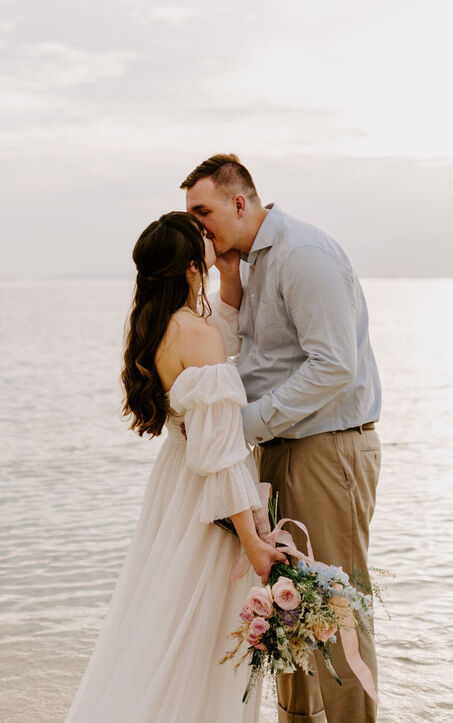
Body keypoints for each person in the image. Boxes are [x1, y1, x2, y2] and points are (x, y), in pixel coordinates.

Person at [183, 154, 383, 723]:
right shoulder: (248, 266)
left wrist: (240, 426)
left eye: (204, 211)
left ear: (239, 202)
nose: (199, 226)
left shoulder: (303, 255)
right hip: (281, 446)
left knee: (335, 607)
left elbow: (334, 366)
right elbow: (257, 362)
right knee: (285, 602)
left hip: (329, 446)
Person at [64, 211, 286, 723]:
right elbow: (223, 450)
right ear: (191, 265)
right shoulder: (196, 331)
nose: (213, 238)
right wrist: (251, 538)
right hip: (209, 491)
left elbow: (222, 344)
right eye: (204, 237)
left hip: (177, 481)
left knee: (165, 621)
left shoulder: (162, 325)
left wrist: (228, 275)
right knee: (199, 635)